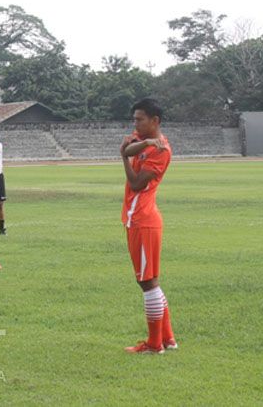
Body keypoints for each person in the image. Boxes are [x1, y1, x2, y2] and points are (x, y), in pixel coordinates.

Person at [119, 99, 177, 354]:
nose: (135, 124)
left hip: (143, 220)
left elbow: (136, 184)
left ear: (155, 121)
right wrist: (136, 146)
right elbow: (130, 147)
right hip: (140, 218)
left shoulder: (161, 150)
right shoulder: (144, 139)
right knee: (151, 280)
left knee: (147, 283)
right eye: (134, 119)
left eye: (140, 119)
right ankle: (168, 339)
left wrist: (122, 157)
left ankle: (155, 345)